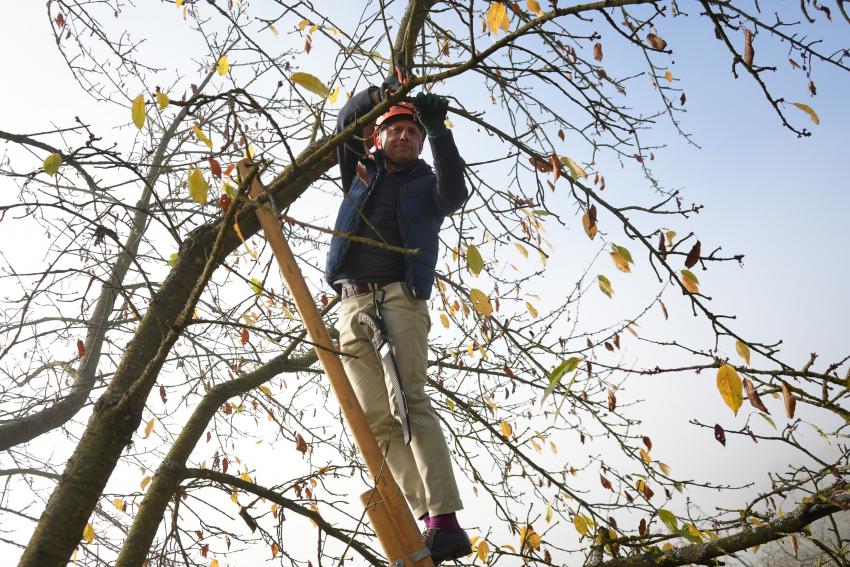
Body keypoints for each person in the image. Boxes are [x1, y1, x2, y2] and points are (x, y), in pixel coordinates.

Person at [324, 80, 470, 564]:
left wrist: (440, 130)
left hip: (399, 299)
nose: (405, 137)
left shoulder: (428, 185)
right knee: (374, 419)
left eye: (413, 132)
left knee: (409, 401)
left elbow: (455, 192)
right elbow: (345, 125)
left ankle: (446, 518)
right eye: (396, 129)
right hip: (352, 303)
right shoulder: (362, 175)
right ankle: (430, 519)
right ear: (378, 138)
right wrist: (377, 95)